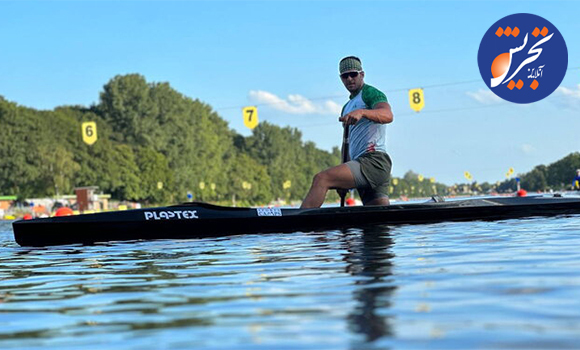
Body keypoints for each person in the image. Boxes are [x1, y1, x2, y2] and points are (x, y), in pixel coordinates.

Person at [301, 56, 394, 208]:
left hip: (374, 161)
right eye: (345, 76)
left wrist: (363, 112)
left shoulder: (371, 93)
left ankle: (300, 226)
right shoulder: (346, 107)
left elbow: (388, 115)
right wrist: (342, 174)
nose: (350, 79)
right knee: (378, 223)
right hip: (360, 165)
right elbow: (347, 145)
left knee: (321, 179)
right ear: (341, 79)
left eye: (353, 74)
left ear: (362, 75)